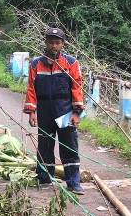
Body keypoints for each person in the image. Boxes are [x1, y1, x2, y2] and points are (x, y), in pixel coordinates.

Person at [23, 27, 85, 195]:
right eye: (51, 42)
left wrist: (76, 113)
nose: (54, 46)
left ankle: (73, 182)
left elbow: (77, 87)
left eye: (57, 43)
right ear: (46, 43)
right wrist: (32, 112)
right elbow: (31, 89)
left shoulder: (71, 63)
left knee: (69, 147)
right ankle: (44, 179)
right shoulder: (36, 64)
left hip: (65, 111)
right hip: (44, 112)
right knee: (44, 146)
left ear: (62, 44)